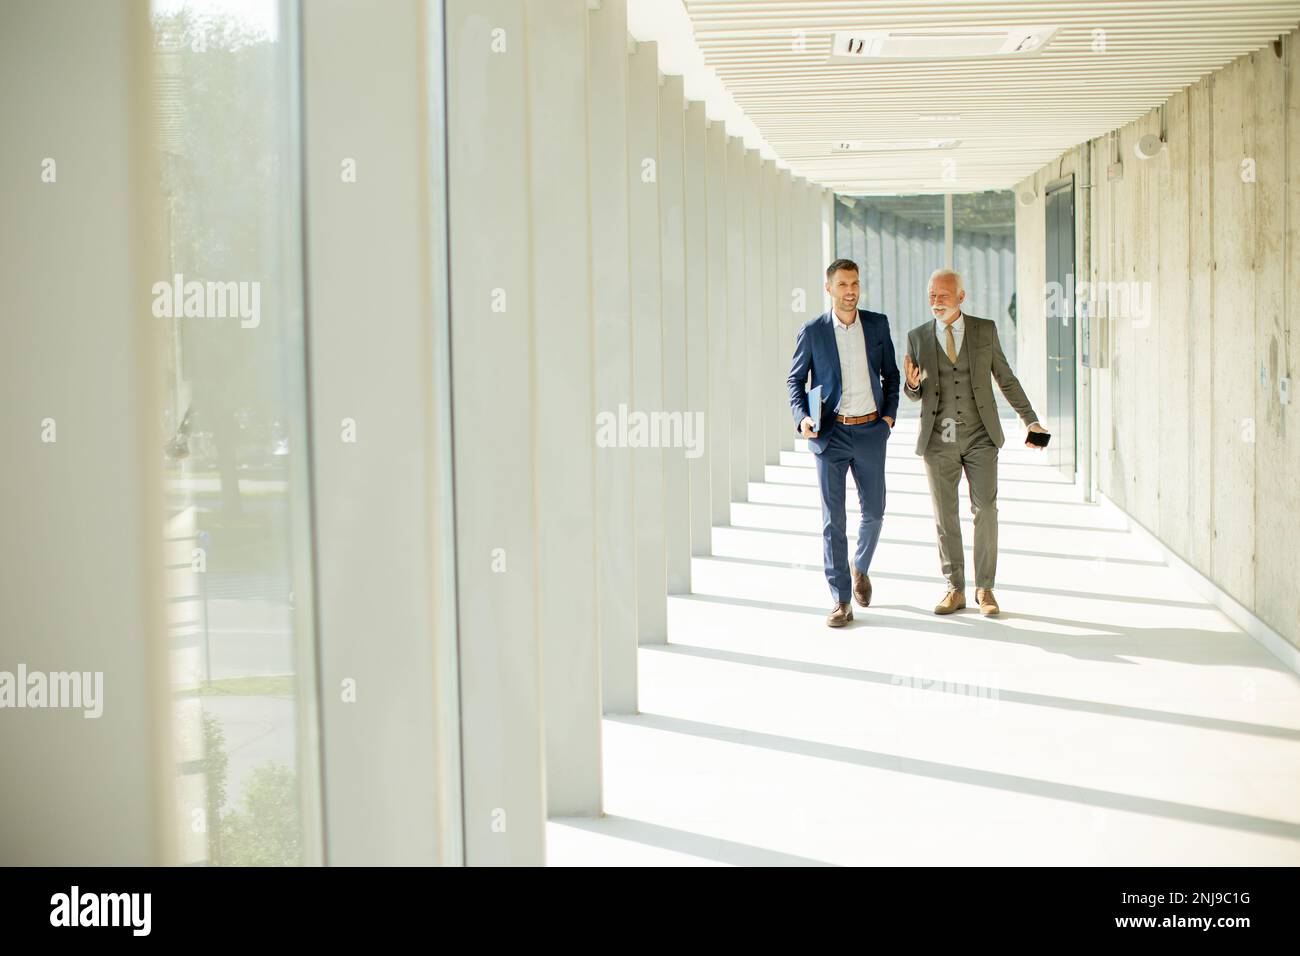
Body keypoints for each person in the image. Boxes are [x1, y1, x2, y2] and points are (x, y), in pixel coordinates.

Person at [902, 269, 1048, 617]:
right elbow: (913, 393)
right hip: (939, 440)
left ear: (961, 297)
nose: (936, 301)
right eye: (932, 295)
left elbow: (1006, 378)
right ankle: (955, 588)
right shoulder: (917, 337)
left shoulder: (985, 330)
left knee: (985, 509)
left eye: (943, 295)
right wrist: (911, 386)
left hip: (980, 435)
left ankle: (986, 589)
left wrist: (1031, 419)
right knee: (945, 516)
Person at [786, 259, 899, 628]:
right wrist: (802, 417)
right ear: (829, 289)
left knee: (876, 511)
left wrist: (888, 418)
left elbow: (891, 375)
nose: (850, 291)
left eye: (855, 284)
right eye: (842, 285)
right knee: (833, 519)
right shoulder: (813, 331)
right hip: (829, 435)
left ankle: (860, 566)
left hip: (870, 431)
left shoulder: (877, 324)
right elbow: (794, 380)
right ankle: (840, 599)